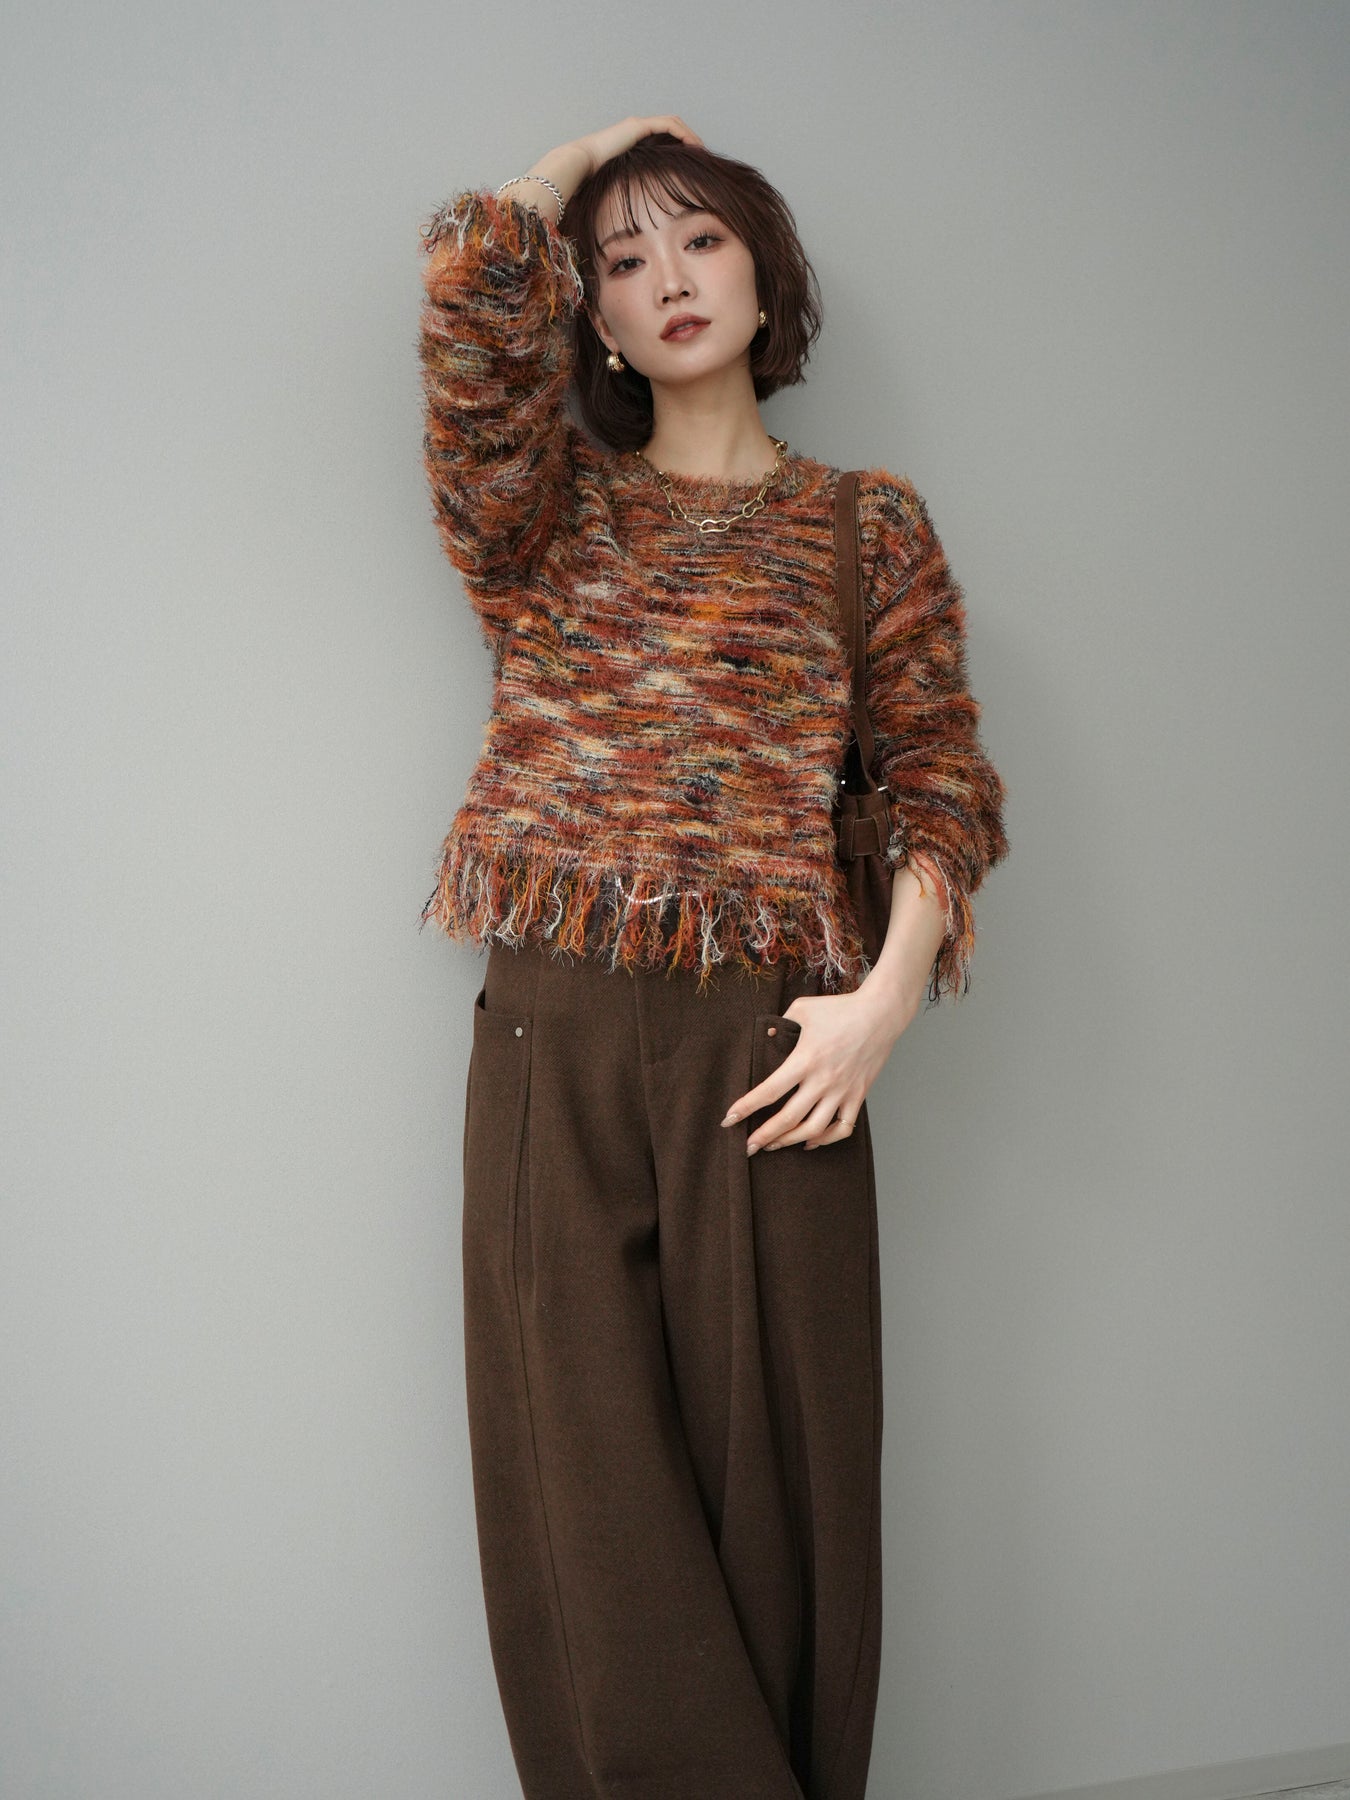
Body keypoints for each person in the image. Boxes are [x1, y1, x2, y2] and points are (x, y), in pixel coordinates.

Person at [416, 115, 1009, 1800]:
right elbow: (470, 308)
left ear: (764, 278)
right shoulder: (541, 513)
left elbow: (940, 783)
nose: (667, 277)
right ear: (594, 319)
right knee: (578, 1487)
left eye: (701, 238)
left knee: (789, 1493)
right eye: (623, 259)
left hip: (777, 1043)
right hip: (551, 1035)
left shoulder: (863, 525)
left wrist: (880, 1009)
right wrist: (597, 153)